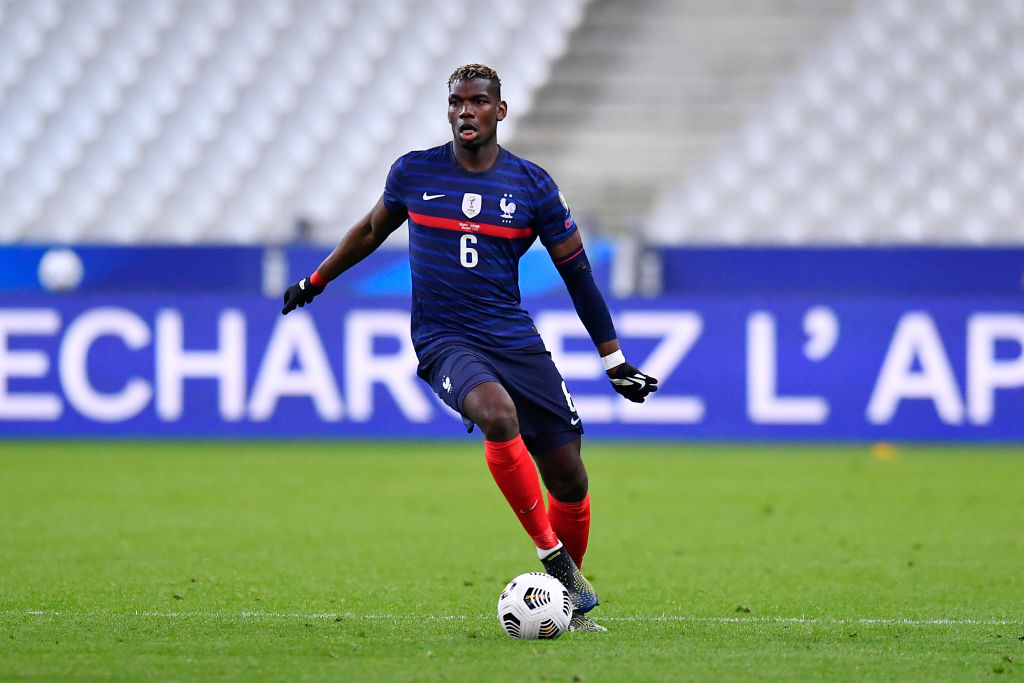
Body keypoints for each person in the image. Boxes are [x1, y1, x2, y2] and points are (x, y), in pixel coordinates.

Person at [282, 64, 658, 632]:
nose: (466, 112)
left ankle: (567, 606)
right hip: (444, 338)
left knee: (570, 477)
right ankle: (551, 556)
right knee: (495, 413)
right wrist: (316, 280)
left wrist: (614, 360)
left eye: (478, 102)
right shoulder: (413, 173)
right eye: (456, 102)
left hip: (510, 335)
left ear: (499, 111)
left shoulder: (532, 187)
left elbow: (578, 274)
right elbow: (367, 231)